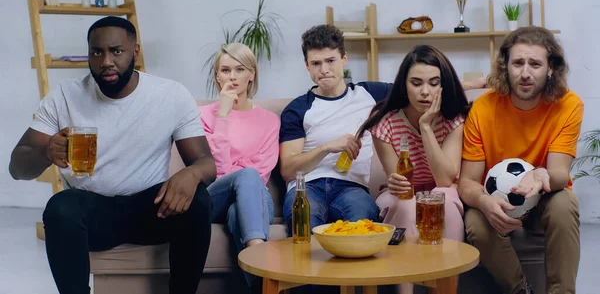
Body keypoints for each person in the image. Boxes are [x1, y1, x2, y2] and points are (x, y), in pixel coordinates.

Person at [8, 16, 215, 294]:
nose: (106, 61)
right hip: (94, 211)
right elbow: (17, 168)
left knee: (199, 200)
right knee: (60, 208)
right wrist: (46, 152)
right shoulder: (65, 96)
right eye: (97, 52)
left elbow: (206, 164)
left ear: (135, 52)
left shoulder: (171, 95)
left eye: (116, 51)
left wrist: (192, 173)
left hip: (151, 209)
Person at [458, 26, 583, 294]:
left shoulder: (569, 105)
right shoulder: (483, 108)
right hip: (498, 202)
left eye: (535, 64)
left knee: (565, 203)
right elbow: (467, 182)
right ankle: (520, 290)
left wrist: (539, 175)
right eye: (518, 63)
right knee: (476, 223)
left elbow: (559, 173)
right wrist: (483, 201)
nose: (525, 73)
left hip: (545, 197)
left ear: (551, 69)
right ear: (506, 67)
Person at [356, 44, 470, 294]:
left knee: (444, 201)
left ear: (443, 85)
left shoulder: (453, 120)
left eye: (433, 83)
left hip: (442, 190)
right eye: (416, 83)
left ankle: (445, 289)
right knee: (406, 204)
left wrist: (426, 127)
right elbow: (397, 180)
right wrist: (395, 180)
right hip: (402, 193)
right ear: (404, 85)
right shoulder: (385, 121)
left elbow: (443, 179)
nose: (425, 92)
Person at [279, 24, 393, 233]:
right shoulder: (297, 109)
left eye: (330, 60)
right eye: (316, 63)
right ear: (307, 66)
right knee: (305, 224)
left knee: (361, 226)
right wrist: (326, 147)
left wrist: (470, 85)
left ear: (344, 59)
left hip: (351, 187)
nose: (324, 70)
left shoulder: (370, 94)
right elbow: (288, 171)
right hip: (307, 187)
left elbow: (420, 88)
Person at [199, 43, 279, 290]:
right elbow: (216, 171)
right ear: (216, 76)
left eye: (240, 69)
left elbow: (261, 172)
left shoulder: (269, 121)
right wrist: (222, 116)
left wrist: (240, 171)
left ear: (252, 74)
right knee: (246, 175)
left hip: (254, 197)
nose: (232, 77)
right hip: (215, 197)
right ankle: (261, 255)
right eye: (225, 70)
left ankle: (261, 288)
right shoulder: (202, 115)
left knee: (238, 212)